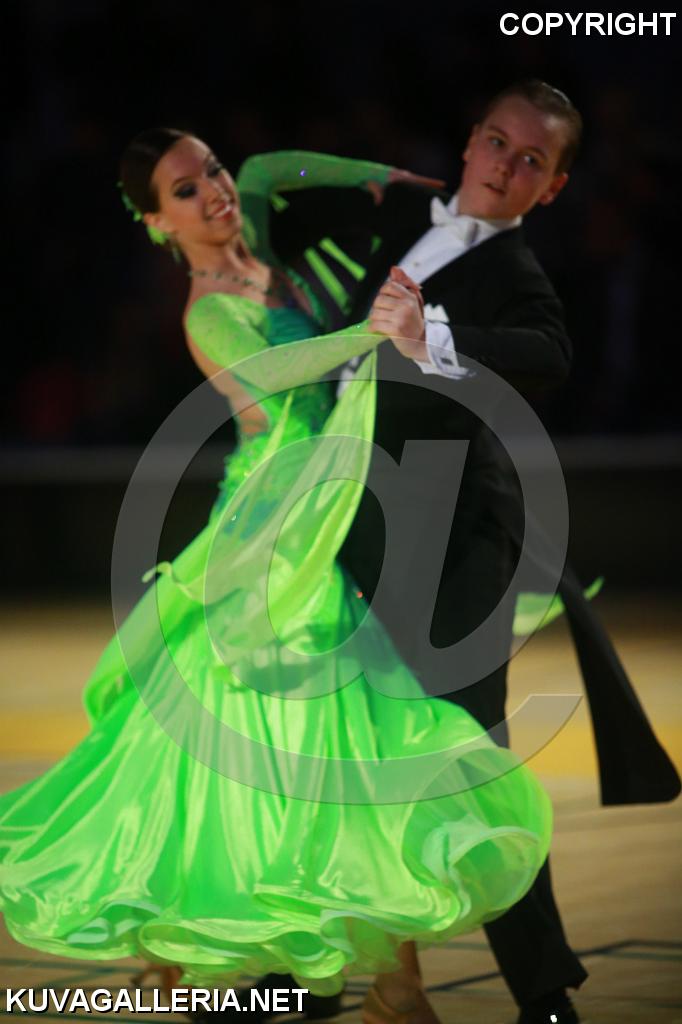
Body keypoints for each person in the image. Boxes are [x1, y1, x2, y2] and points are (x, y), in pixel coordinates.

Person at [0, 128, 558, 1024]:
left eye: (211, 171)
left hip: (328, 507)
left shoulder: (253, 221)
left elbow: (267, 169)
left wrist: (383, 177)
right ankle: (363, 979)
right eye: (186, 191)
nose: (216, 191)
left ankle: (379, 982)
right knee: (325, 738)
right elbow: (281, 370)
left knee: (351, 740)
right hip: (272, 531)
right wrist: (366, 332)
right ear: (157, 222)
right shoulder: (207, 313)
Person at [233, 81, 680, 1024]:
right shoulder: (401, 210)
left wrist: (427, 333)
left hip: (454, 539)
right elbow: (265, 188)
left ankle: (545, 995)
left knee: (471, 765)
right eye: (498, 142)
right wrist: (364, 171)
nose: (507, 165)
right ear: (471, 141)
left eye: (532, 160)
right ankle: (312, 974)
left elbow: (549, 354)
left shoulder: (517, 272)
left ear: (552, 188)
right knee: (333, 753)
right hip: (347, 520)